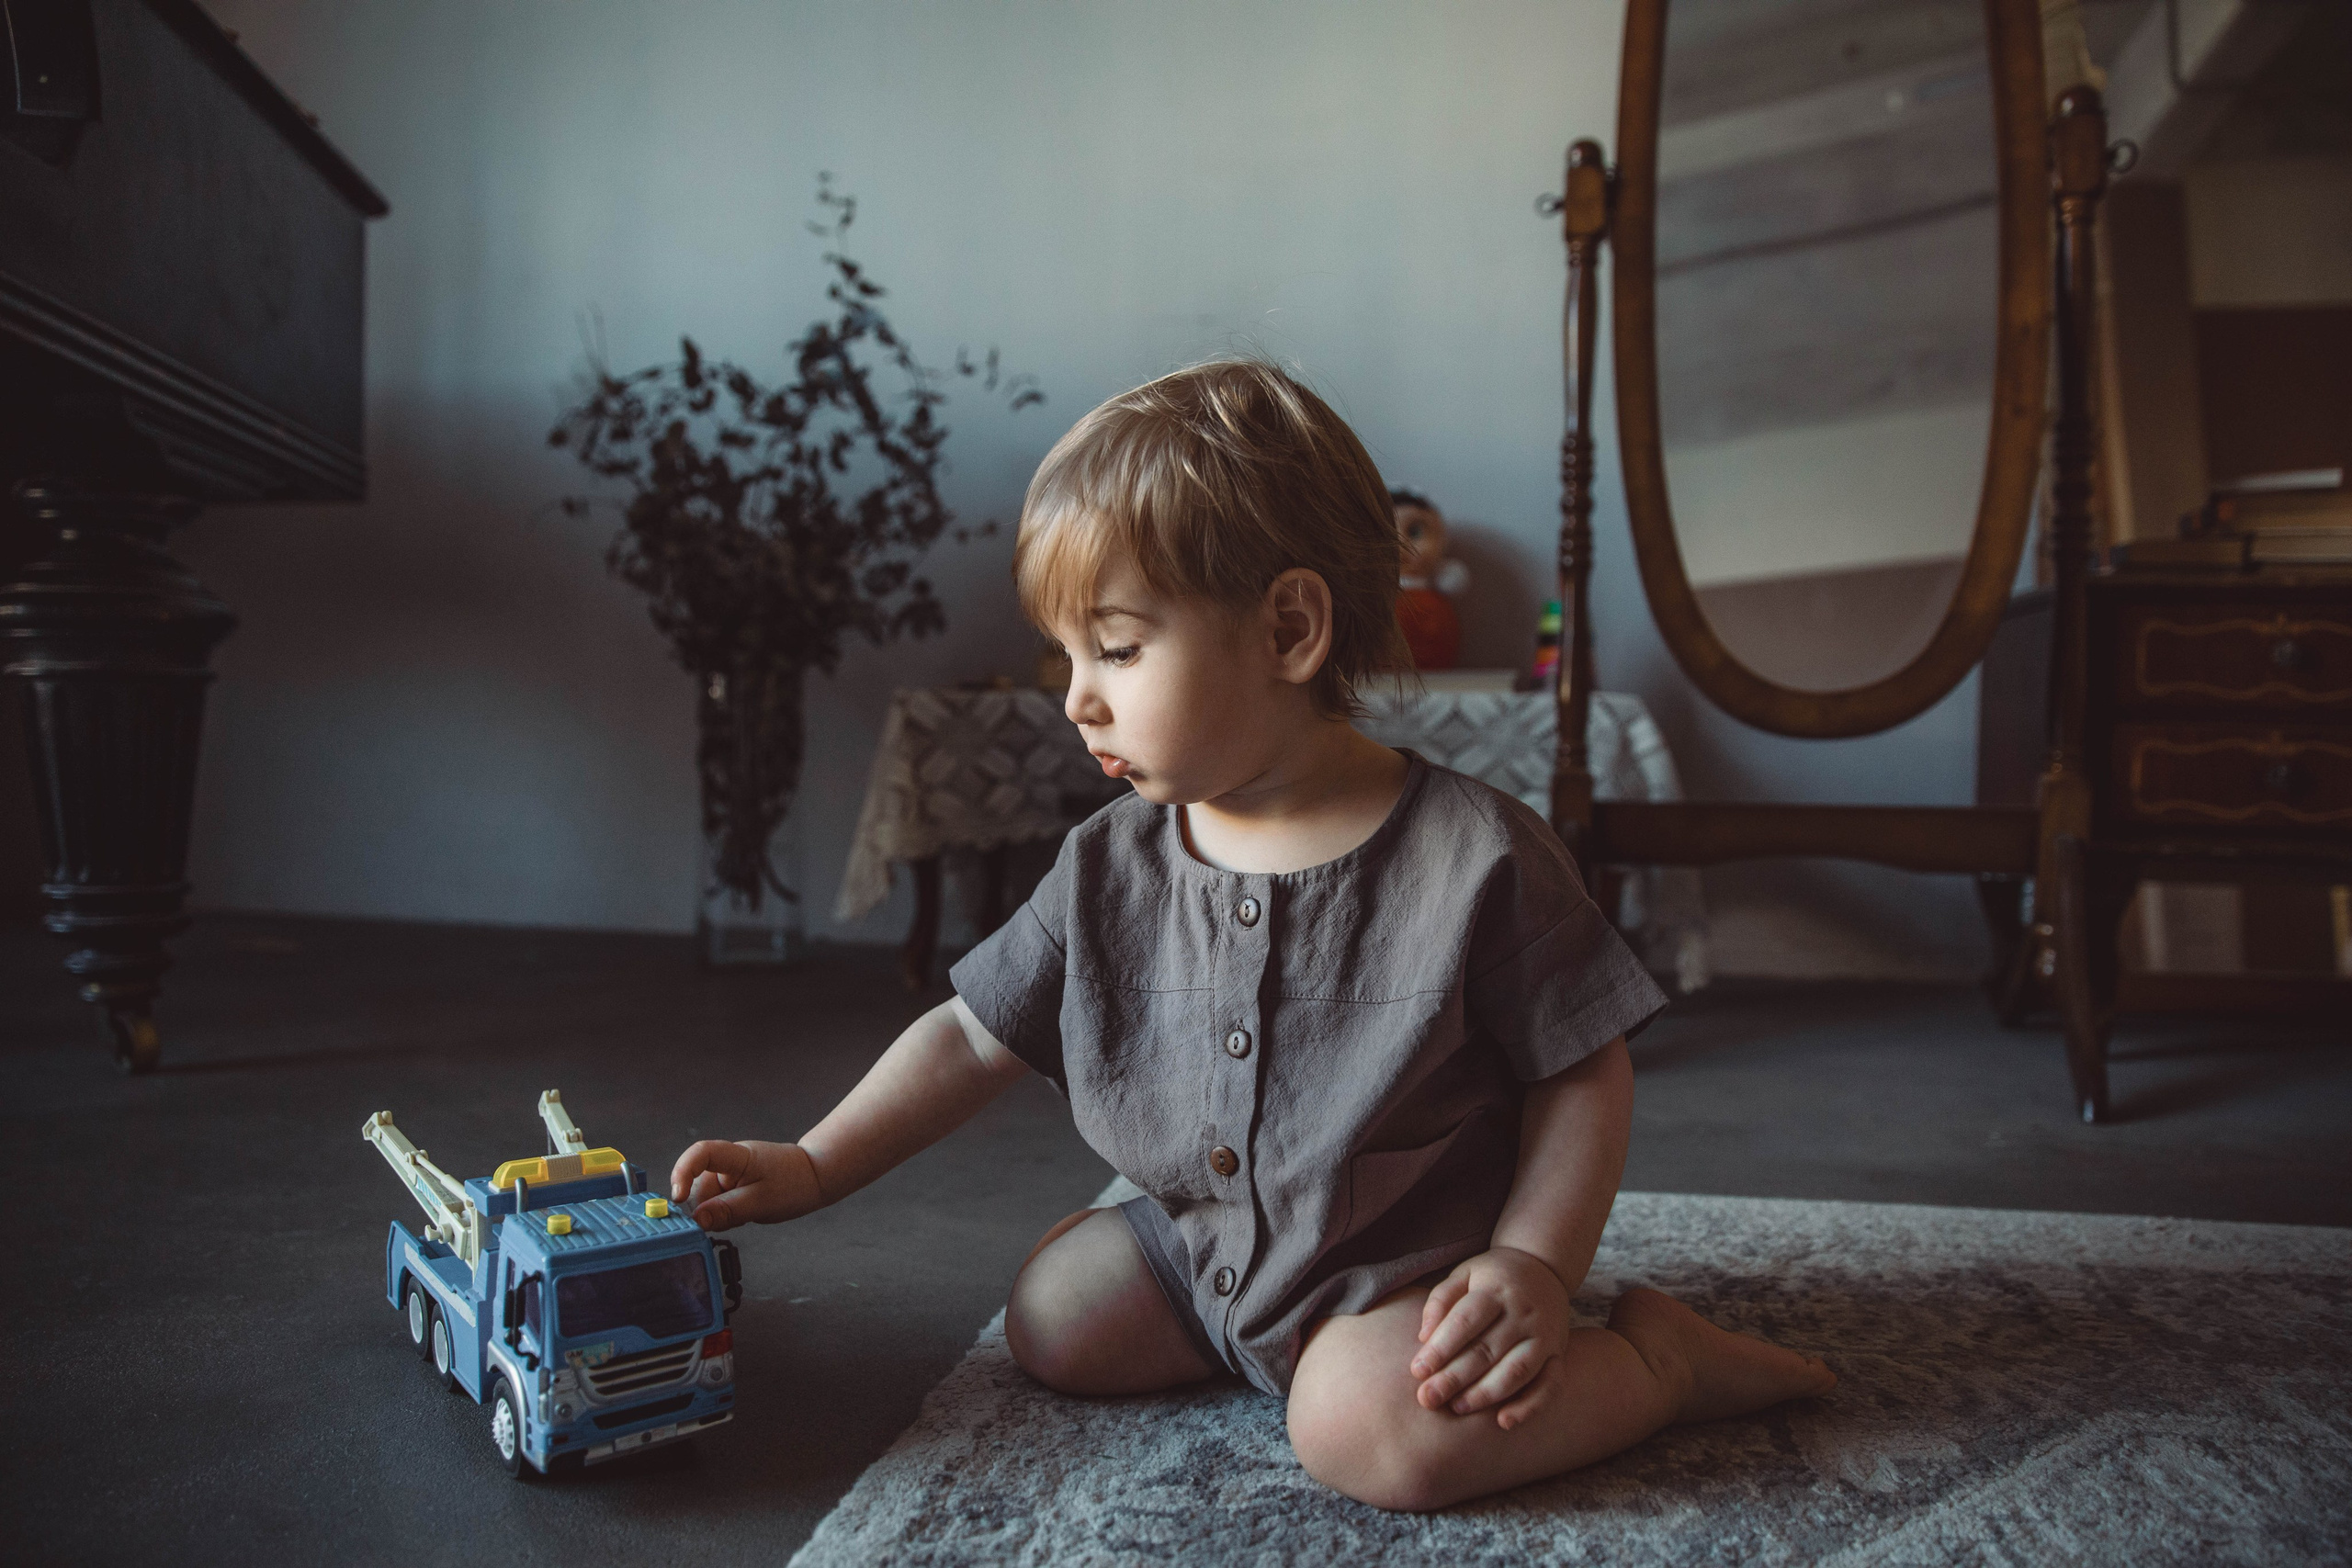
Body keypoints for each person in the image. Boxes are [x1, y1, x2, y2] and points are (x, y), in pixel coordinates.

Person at [670, 360, 1834, 1512]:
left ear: (1287, 628)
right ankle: (1244, 1329)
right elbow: (971, 1037)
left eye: (1116, 649)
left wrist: (1533, 1262)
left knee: (1371, 1439)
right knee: (1053, 1320)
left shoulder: (1476, 856)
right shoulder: (1107, 860)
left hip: (1399, 1273)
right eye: (1066, 654)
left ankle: (1654, 1364)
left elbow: (1585, 1072)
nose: (1077, 697)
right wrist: (818, 1163)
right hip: (1206, 1251)